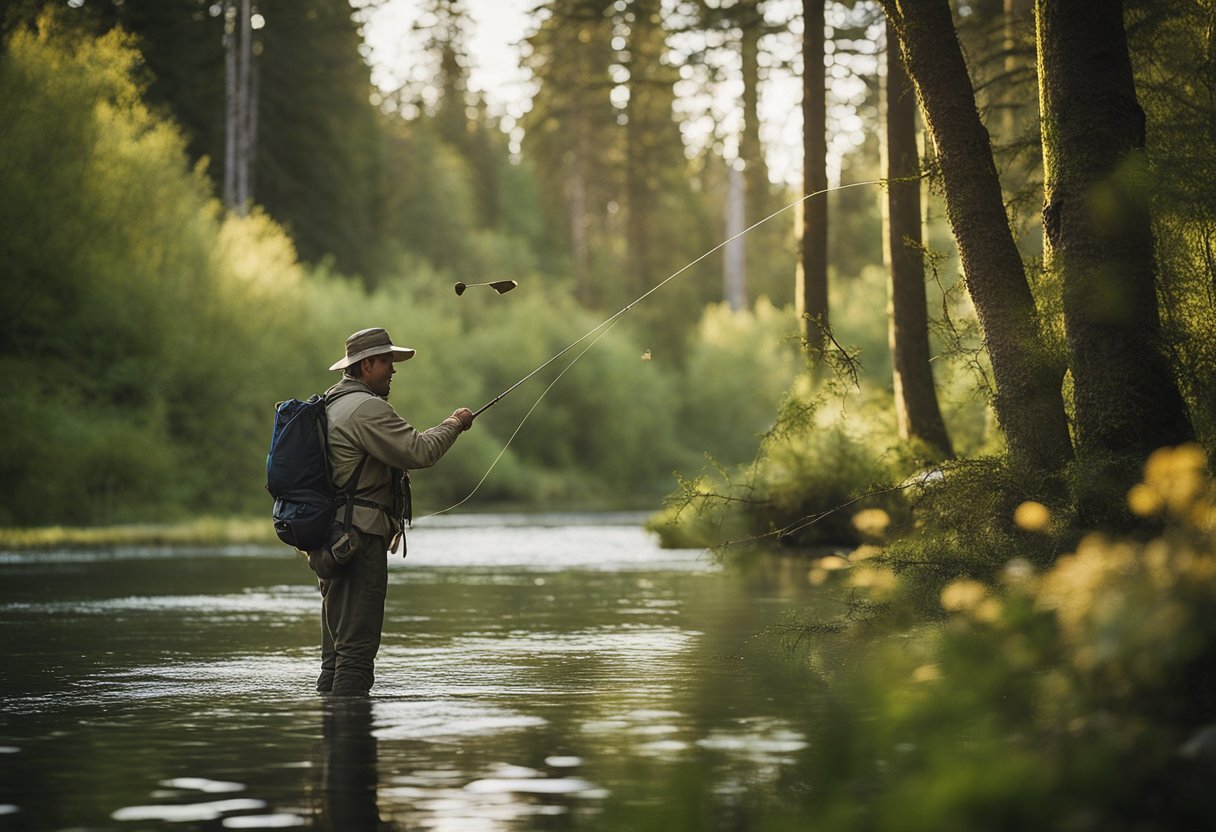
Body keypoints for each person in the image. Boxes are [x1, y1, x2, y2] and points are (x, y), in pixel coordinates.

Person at [316, 327, 474, 696]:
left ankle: (331, 742)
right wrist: (455, 423)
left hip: (331, 540)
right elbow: (419, 451)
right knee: (355, 657)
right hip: (359, 542)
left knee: (335, 658)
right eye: (387, 361)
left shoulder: (329, 404)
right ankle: (351, 749)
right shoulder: (366, 408)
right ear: (366, 364)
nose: (393, 369)